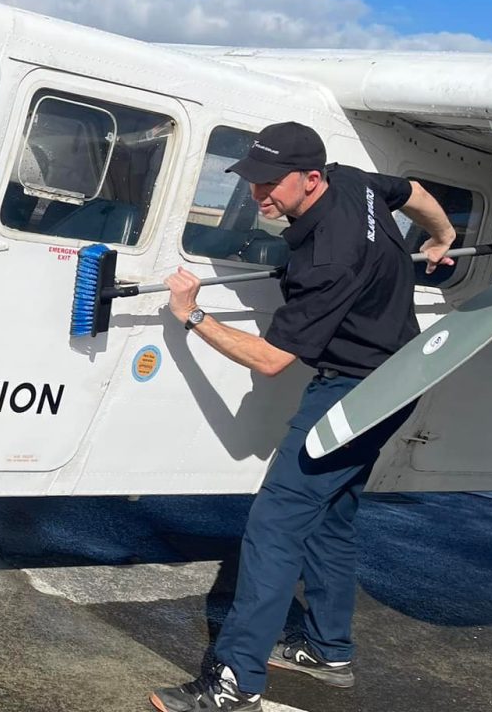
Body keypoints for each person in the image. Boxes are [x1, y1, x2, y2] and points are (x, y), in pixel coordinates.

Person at [148, 121, 457, 712]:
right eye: (252, 181)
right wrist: (442, 235)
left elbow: (270, 360)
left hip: (354, 393)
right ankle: (328, 649)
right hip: (399, 379)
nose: (258, 194)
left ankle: (234, 685)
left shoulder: (326, 259)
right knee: (331, 516)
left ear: (311, 179)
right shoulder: (353, 181)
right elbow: (413, 192)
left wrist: (192, 315)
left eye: (270, 184)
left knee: (275, 526)